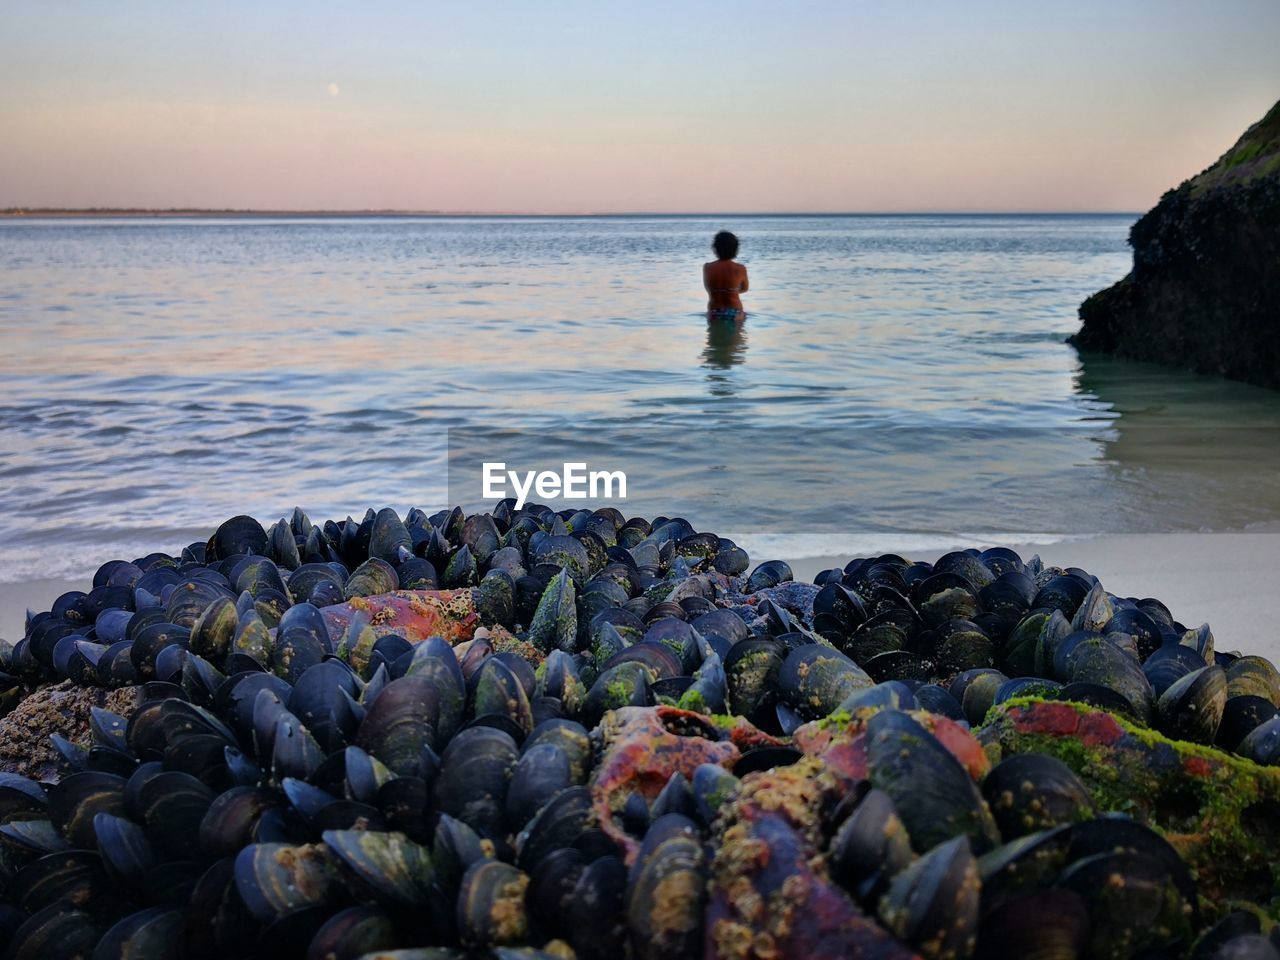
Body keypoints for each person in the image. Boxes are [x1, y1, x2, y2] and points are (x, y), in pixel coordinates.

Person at [704, 231, 748, 321]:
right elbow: (744, 289)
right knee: (738, 334)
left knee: (713, 335)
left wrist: (721, 291)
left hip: (714, 312)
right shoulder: (740, 268)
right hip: (735, 313)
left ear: (716, 248)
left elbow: (708, 289)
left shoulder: (707, 267)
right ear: (735, 249)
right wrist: (732, 290)